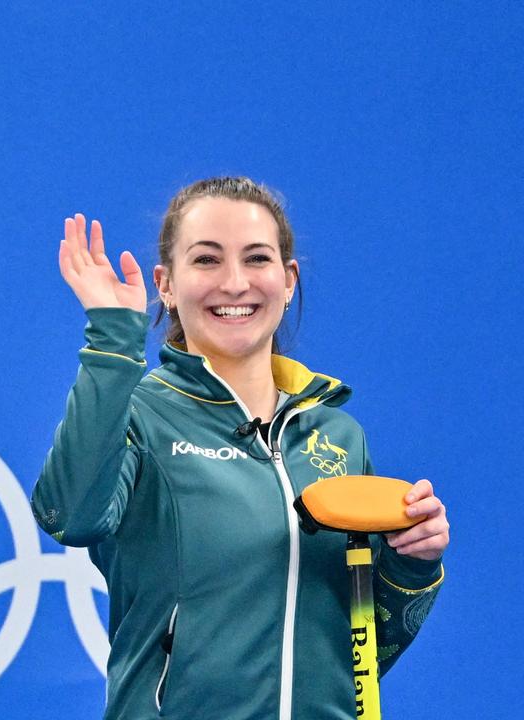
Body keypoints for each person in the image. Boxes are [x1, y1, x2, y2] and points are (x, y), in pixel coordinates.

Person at [31, 177, 449, 720]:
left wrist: (414, 563)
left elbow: (362, 649)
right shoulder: (138, 414)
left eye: (256, 259)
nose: (234, 283)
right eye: (206, 260)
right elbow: (71, 516)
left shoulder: (339, 437)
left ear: (288, 278)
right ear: (166, 284)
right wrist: (113, 340)